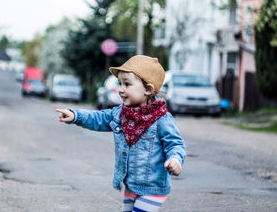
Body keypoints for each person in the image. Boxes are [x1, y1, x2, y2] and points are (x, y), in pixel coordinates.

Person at [56, 55, 186, 212]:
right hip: (130, 185)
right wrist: (76, 116)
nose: (121, 89)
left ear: (148, 89)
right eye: (120, 84)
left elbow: (175, 144)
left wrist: (175, 159)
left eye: (127, 84)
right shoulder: (120, 114)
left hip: (153, 188)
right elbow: (98, 117)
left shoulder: (162, 119)